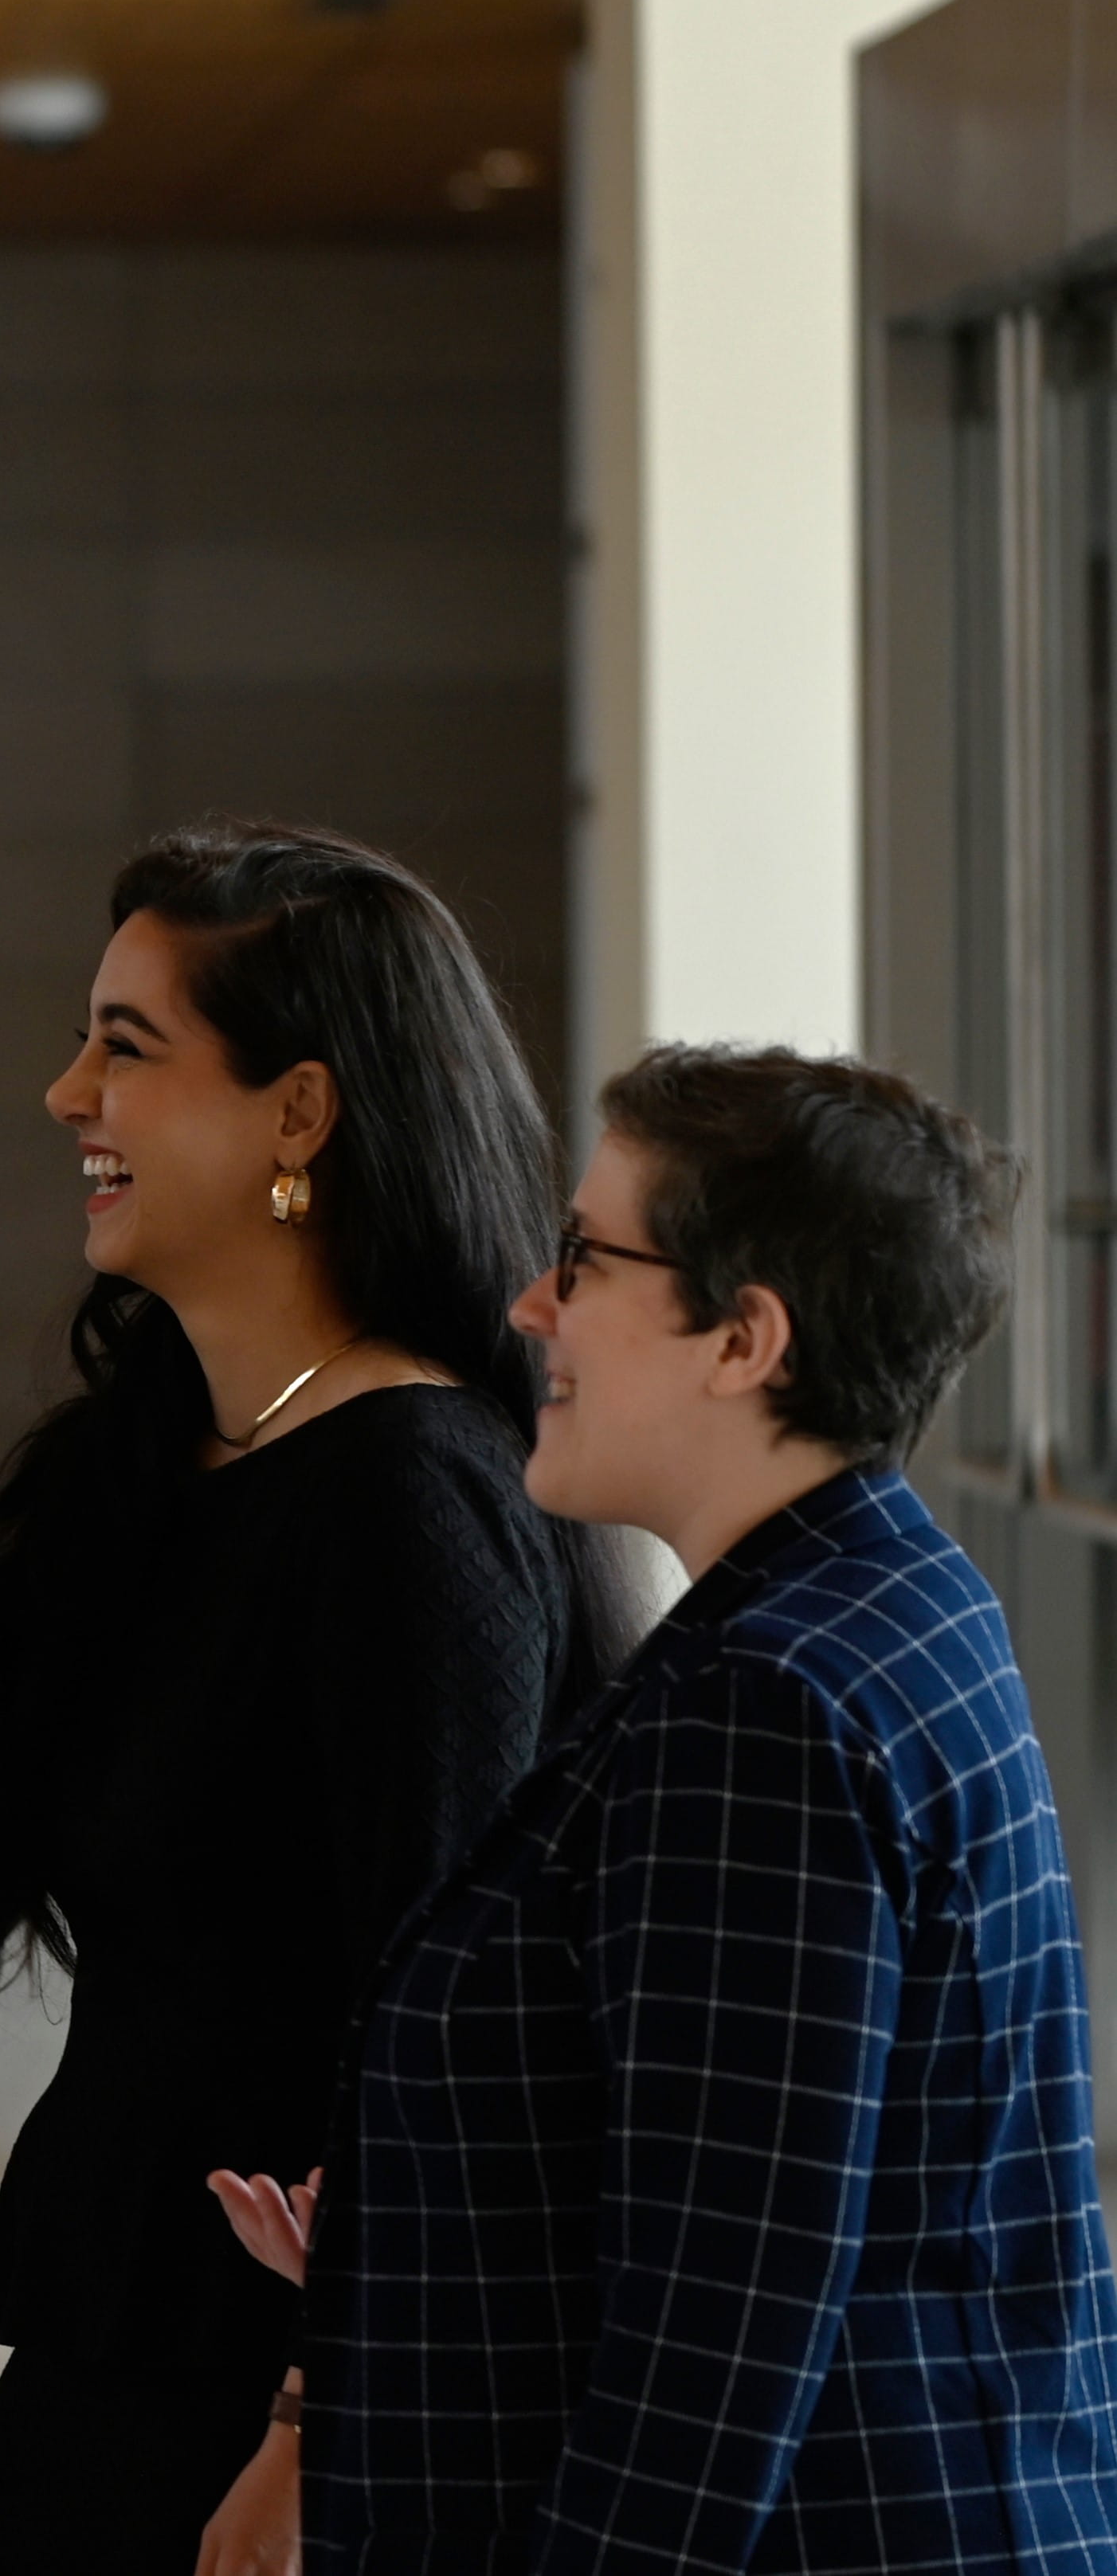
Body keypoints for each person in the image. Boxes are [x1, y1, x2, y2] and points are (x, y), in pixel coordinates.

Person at [0, 820, 632, 2576]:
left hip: (298, 2353)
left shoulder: (409, 1496)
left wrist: (317, 2420)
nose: (66, 1092)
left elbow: (438, 2030)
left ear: (298, 1115)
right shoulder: (163, 1451)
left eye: (126, 1047)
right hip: (141, 2296)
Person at [237, 1044, 1117, 2570]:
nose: (534, 1304)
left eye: (585, 1258)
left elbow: (708, 2358)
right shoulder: (888, 1595)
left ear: (744, 1338)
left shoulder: (765, 1704)